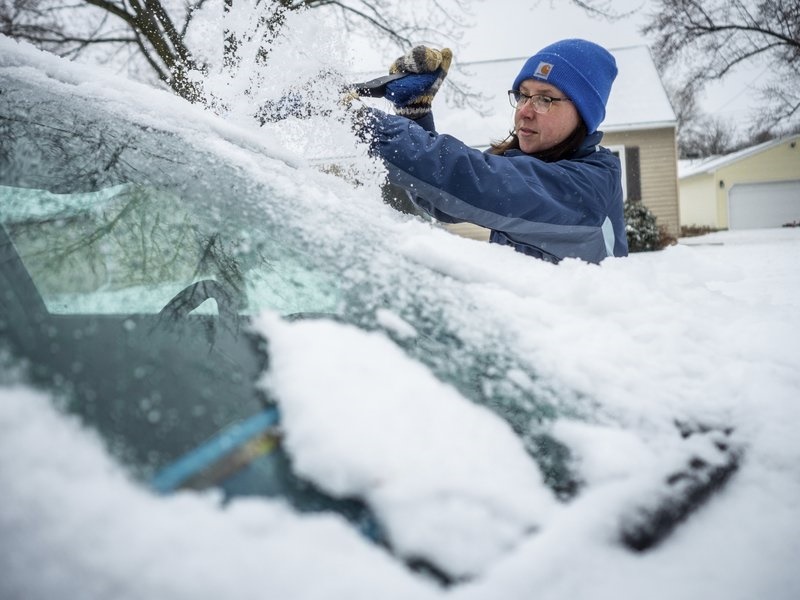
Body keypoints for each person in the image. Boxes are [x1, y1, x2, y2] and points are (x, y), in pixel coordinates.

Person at [358, 39, 629, 264]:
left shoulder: (588, 187)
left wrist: (361, 121)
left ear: (583, 114)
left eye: (545, 99)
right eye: (522, 95)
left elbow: (473, 179)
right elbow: (442, 197)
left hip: (577, 329)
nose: (524, 111)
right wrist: (414, 115)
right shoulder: (528, 162)